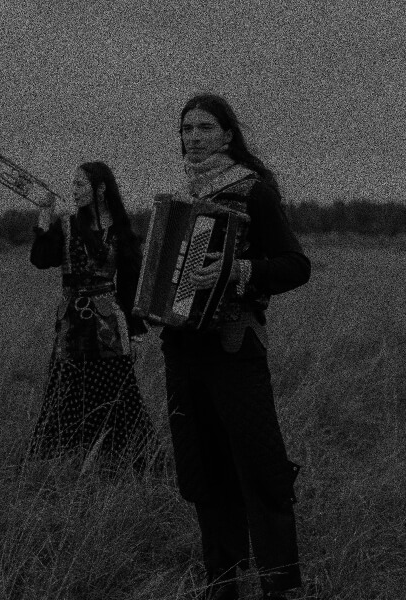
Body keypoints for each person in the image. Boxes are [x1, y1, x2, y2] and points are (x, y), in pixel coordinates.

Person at [160, 94, 311, 600]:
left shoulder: (254, 191)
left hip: (235, 347)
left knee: (260, 467)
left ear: (227, 135)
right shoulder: (181, 198)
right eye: (187, 129)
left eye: (205, 127)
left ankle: (280, 585)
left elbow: (295, 266)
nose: (193, 137)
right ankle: (222, 583)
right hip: (184, 351)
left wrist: (237, 270)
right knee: (205, 471)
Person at [28, 161, 158, 474]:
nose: (73, 191)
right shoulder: (67, 224)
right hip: (72, 322)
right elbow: (41, 260)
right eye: (73, 184)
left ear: (100, 189)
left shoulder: (121, 230)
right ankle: (66, 463)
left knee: (116, 391)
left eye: (80, 184)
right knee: (66, 391)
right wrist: (45, 212)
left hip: (108, 323)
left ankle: (125, 462)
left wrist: (136, 334)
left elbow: (129, 286)